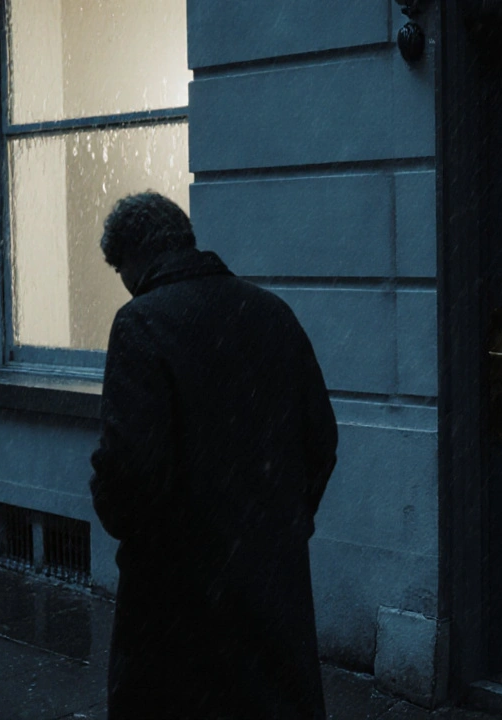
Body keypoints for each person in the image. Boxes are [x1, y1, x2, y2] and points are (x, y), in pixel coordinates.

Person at [88, 191, 338, 719]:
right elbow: (321, 439)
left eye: (121, 272)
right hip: (270, 589)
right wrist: (281, 523)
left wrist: (126, 515)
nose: (127, 286)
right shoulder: (271, 313)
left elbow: (130, 472)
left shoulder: (141, 324)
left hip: (178, 600)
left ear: (134, 258)